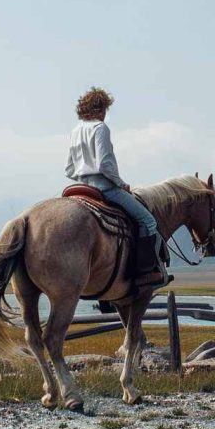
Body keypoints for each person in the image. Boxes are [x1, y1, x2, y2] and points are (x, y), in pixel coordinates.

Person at [65, 87, 168, 289]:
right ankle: (145, 272)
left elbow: (69, 168)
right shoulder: (100, 128)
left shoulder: (76, 131)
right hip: (105, 188)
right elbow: (104, 163)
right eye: (104, 109)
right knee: (148, 221)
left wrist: (83, 175)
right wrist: (120, 183)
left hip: (80, 187)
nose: (105, 114)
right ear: (100, 109)